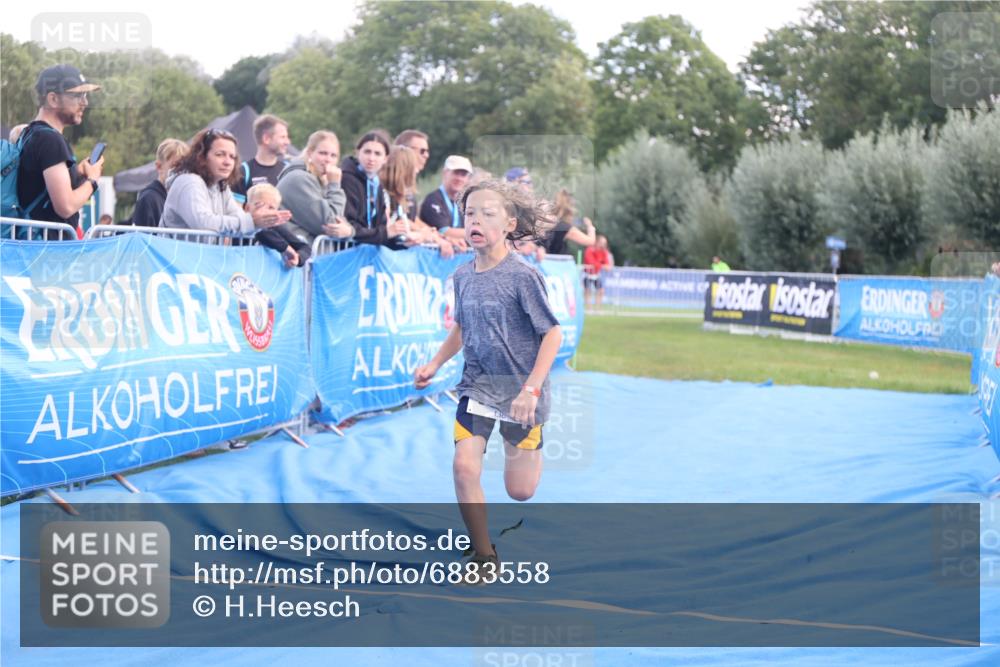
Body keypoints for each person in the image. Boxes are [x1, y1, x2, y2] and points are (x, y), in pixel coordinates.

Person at [414, 179, 562, 578]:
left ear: (510, 224)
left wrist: (531, 389)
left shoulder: (523, 276)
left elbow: (552, 333)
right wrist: (434, 364)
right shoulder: (462, 276)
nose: (475, 221)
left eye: (487, 213)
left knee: (520, 491)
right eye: (469, 214)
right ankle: (484, 556)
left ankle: (531, 442)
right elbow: (461, 328)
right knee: (464, 467)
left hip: (521, 391)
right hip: (477, 386)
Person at [16, 64, 104, 236]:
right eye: (77, 95)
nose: (85, 102)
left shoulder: (30, 133)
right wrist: (93, 180)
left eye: (85, 95)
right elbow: (66, 207)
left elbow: (37, 185)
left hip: (34, 243)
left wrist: (76, 173)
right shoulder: (51, 140)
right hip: (48, 248)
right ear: (53, 99)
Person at [160, 128, 289, 234]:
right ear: (202, 157)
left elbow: (239, 218)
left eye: (232, 157)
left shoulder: (220, 185)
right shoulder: (189, 182)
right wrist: (252, 221)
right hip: (175, 257)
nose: (228, 162)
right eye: (220, 154)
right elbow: (204, 223)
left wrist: (260, 221)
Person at [276, 130, 352, 245]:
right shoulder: (299, 179)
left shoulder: (318, 179)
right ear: (310, 153)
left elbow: (341, 220)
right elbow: (331, 223)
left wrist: (349, 231)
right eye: (323, 153)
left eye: (333, 155)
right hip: (297, 252)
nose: (328, 159)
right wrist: (334, 185)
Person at [341, 130, 401, 245]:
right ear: (358, 152)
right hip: (349, 248)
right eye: (367, 152)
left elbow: (381, 226)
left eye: (377, 154)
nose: (371, 158)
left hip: (368, 247)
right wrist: (385, 233)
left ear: (385, 159)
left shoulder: (377, 184)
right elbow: (350, 224)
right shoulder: (347, 179)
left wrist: (401, 236)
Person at [245, 183, 311, 268]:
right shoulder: (242, 225)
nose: (265, 211)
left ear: (277, 211)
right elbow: (261, 233)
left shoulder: (275, 227)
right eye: (259, 205)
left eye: (271, 208)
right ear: (247, 208)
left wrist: (297, 257)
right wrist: (286, 249)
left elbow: (305, 248)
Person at [231, 114, 291, 205]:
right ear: (266, 139)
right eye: (283, 137)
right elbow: (237, 209)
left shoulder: (288, 170)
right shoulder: (243, 171)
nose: (287, 142)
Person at [131, 138, 189, 227]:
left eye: (184, 166)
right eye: (175, 166)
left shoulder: (182, 199)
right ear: (159, 167)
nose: (180, 171)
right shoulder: (148, 199)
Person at [420, 155, 471, 249]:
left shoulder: (464, 203)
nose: (459, 178)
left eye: (463, 175)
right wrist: (480, 232)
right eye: (456, 173)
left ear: (467, 179)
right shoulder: (433, 200)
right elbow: (445, 232)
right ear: (445, 173)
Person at [545, 189, 597, 255]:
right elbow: (590, 241)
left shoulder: (548, 222)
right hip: (557, 259)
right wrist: (590, 226)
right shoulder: (565, 228)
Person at [583, 235, 613, 307]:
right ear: (597, 242)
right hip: (587, 274)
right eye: (602, 243)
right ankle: (588, 307)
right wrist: (602, 266)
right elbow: (591, 262)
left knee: (601, 291)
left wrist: (602, 266)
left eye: (605, 243)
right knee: (587, 291)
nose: (603, 245)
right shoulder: (589, 250)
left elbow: (607, 265)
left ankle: (598, 308)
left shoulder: (604, 252)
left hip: (596, 275)